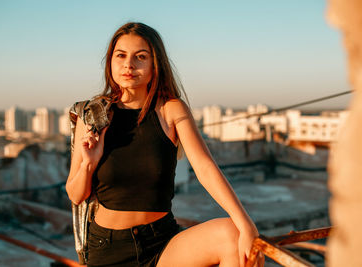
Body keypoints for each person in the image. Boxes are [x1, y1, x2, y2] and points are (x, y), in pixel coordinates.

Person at [66, 22, 263, 267]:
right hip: (108, 248)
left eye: (140, 57)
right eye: (121, 55)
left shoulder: (170, 109)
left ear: (154, 64)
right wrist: (88, 163)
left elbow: (204, 168)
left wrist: (245, 223)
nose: (129, 64)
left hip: (162, 243)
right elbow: (75, 194)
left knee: (232, 236)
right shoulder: (94, 114)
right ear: (111, 62)